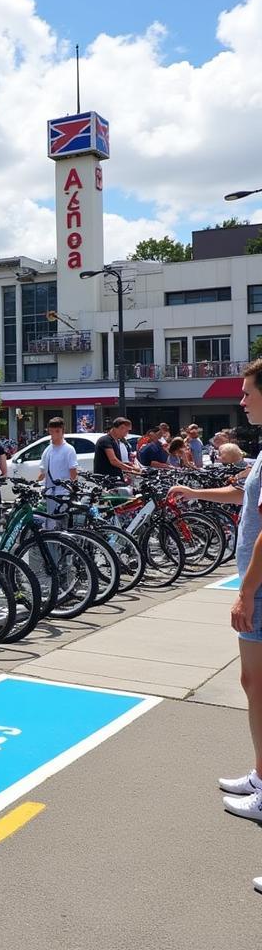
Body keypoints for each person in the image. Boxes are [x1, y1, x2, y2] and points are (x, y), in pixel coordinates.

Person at [167, 362, 262, 846]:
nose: (242, 400)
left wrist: (245, 589)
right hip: (255, 583)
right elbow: (240, 496)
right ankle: (260, 774)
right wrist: (192, 490)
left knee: (258, 685)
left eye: (247, 393)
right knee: (252, 682)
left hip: (259, 586)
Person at [36, 417, 78, 522]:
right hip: (50, 493)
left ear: (62, 431)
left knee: (62, 522)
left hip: (64, 493)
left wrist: (74, 489)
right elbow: (43, 471)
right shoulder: (48, 450)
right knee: (50, 522)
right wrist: (35, 483)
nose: (54, 434)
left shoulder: (68, 449)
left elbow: (73, 471)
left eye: (57, 431)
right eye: (51, 431)